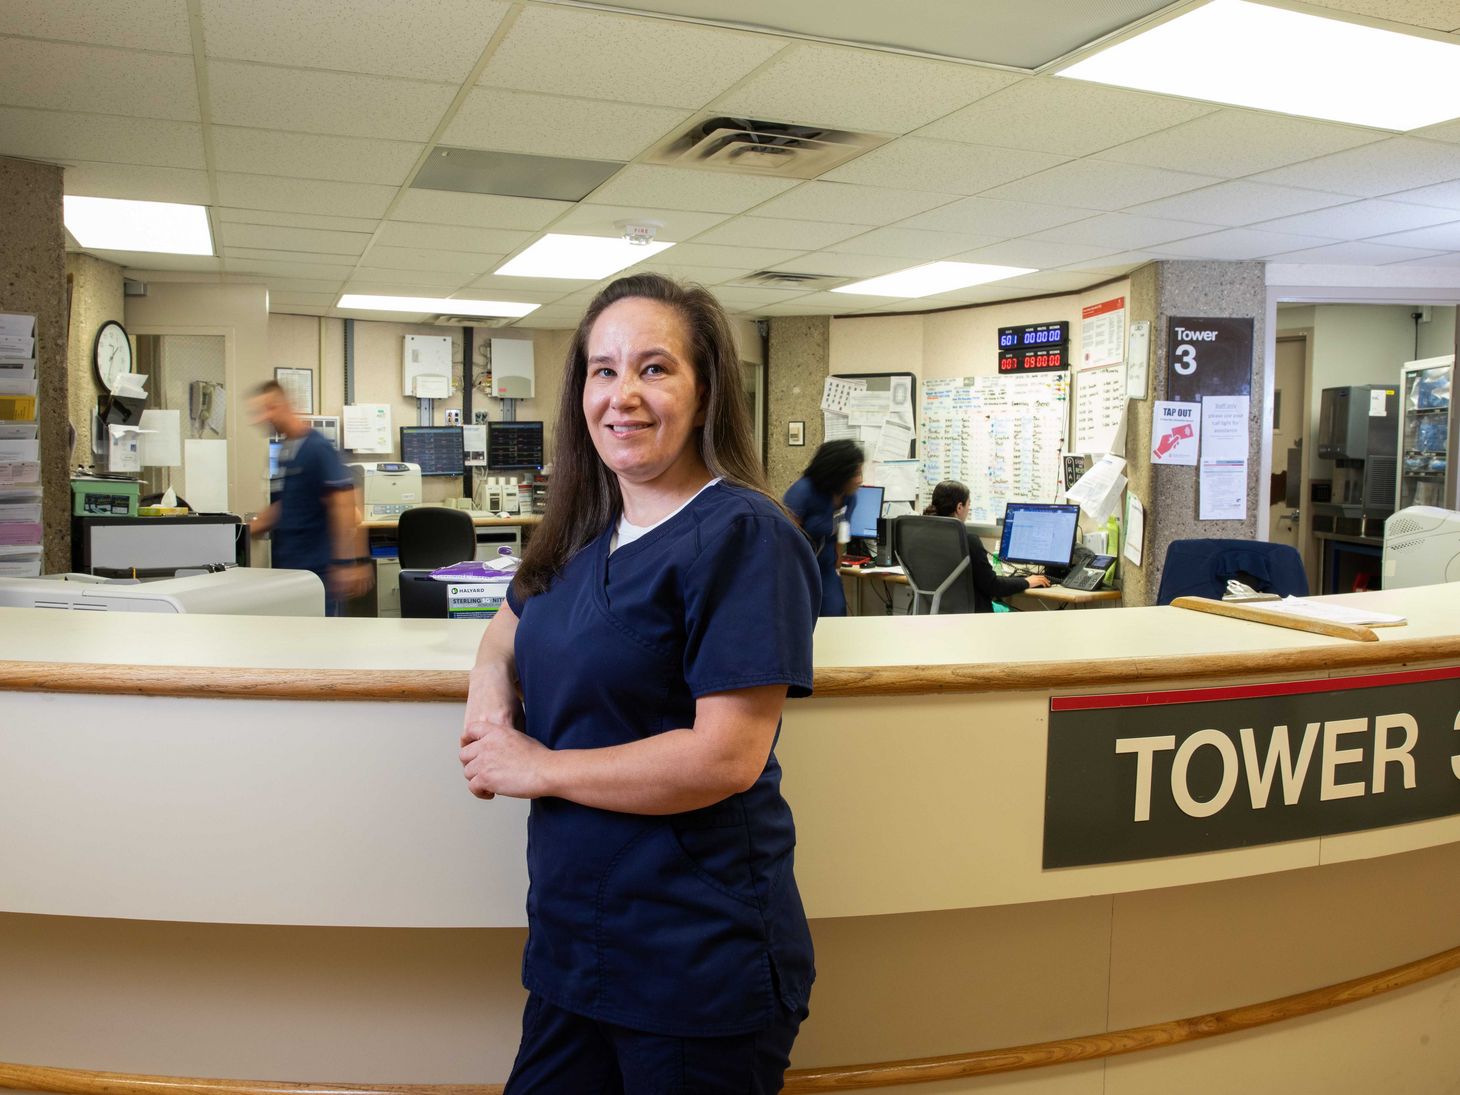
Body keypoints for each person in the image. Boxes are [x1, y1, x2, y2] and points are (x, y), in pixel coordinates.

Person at [458, 273, 821, 1093]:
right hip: (573, 948)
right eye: (603, 370)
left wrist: (534, 766)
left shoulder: (746, 536)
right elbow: (505, 629)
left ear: (705, 390)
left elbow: (724, 757)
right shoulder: (588, 529)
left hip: (693, 959)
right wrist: (489, 699)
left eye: (655, 368)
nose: (624, 395)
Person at [247, 380, 371, 615]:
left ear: (281, 406)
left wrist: (348, 563)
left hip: (319, 573)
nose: (260, 418)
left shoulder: (316, 448)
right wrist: (240, 532)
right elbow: (284, 506)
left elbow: (345, 506)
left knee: (321, 646)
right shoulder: (285, 450)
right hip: (291, 570)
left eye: (266, 409)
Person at [923, 479, 1050, 612]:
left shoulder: (923, 537)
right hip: (971, 617)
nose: (968, 509)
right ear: (959, 507)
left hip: (934, 612)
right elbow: (992, 586)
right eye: (968, 505)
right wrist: (1027, 581)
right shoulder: (967, 541)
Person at [783, 438, 864, 617]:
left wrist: (837, 566)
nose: (860, 480)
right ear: (838, 473)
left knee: (836, 612)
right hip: (798, 570)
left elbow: (840, 534)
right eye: (855, 474)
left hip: (826, 569)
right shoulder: (802, 492)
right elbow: (784, 541)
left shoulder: (849, 497)